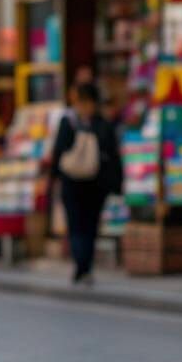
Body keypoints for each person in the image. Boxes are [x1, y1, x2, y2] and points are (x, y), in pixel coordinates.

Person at [51, 82, 123, 285]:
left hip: (81, 184)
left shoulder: (70, 123)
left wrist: (54, 178)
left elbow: (58, 153)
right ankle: (83, 266)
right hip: (88, 184)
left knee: (83, 226)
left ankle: (82, 266)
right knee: (83, 226)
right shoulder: (101, 124)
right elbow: (112, 156)